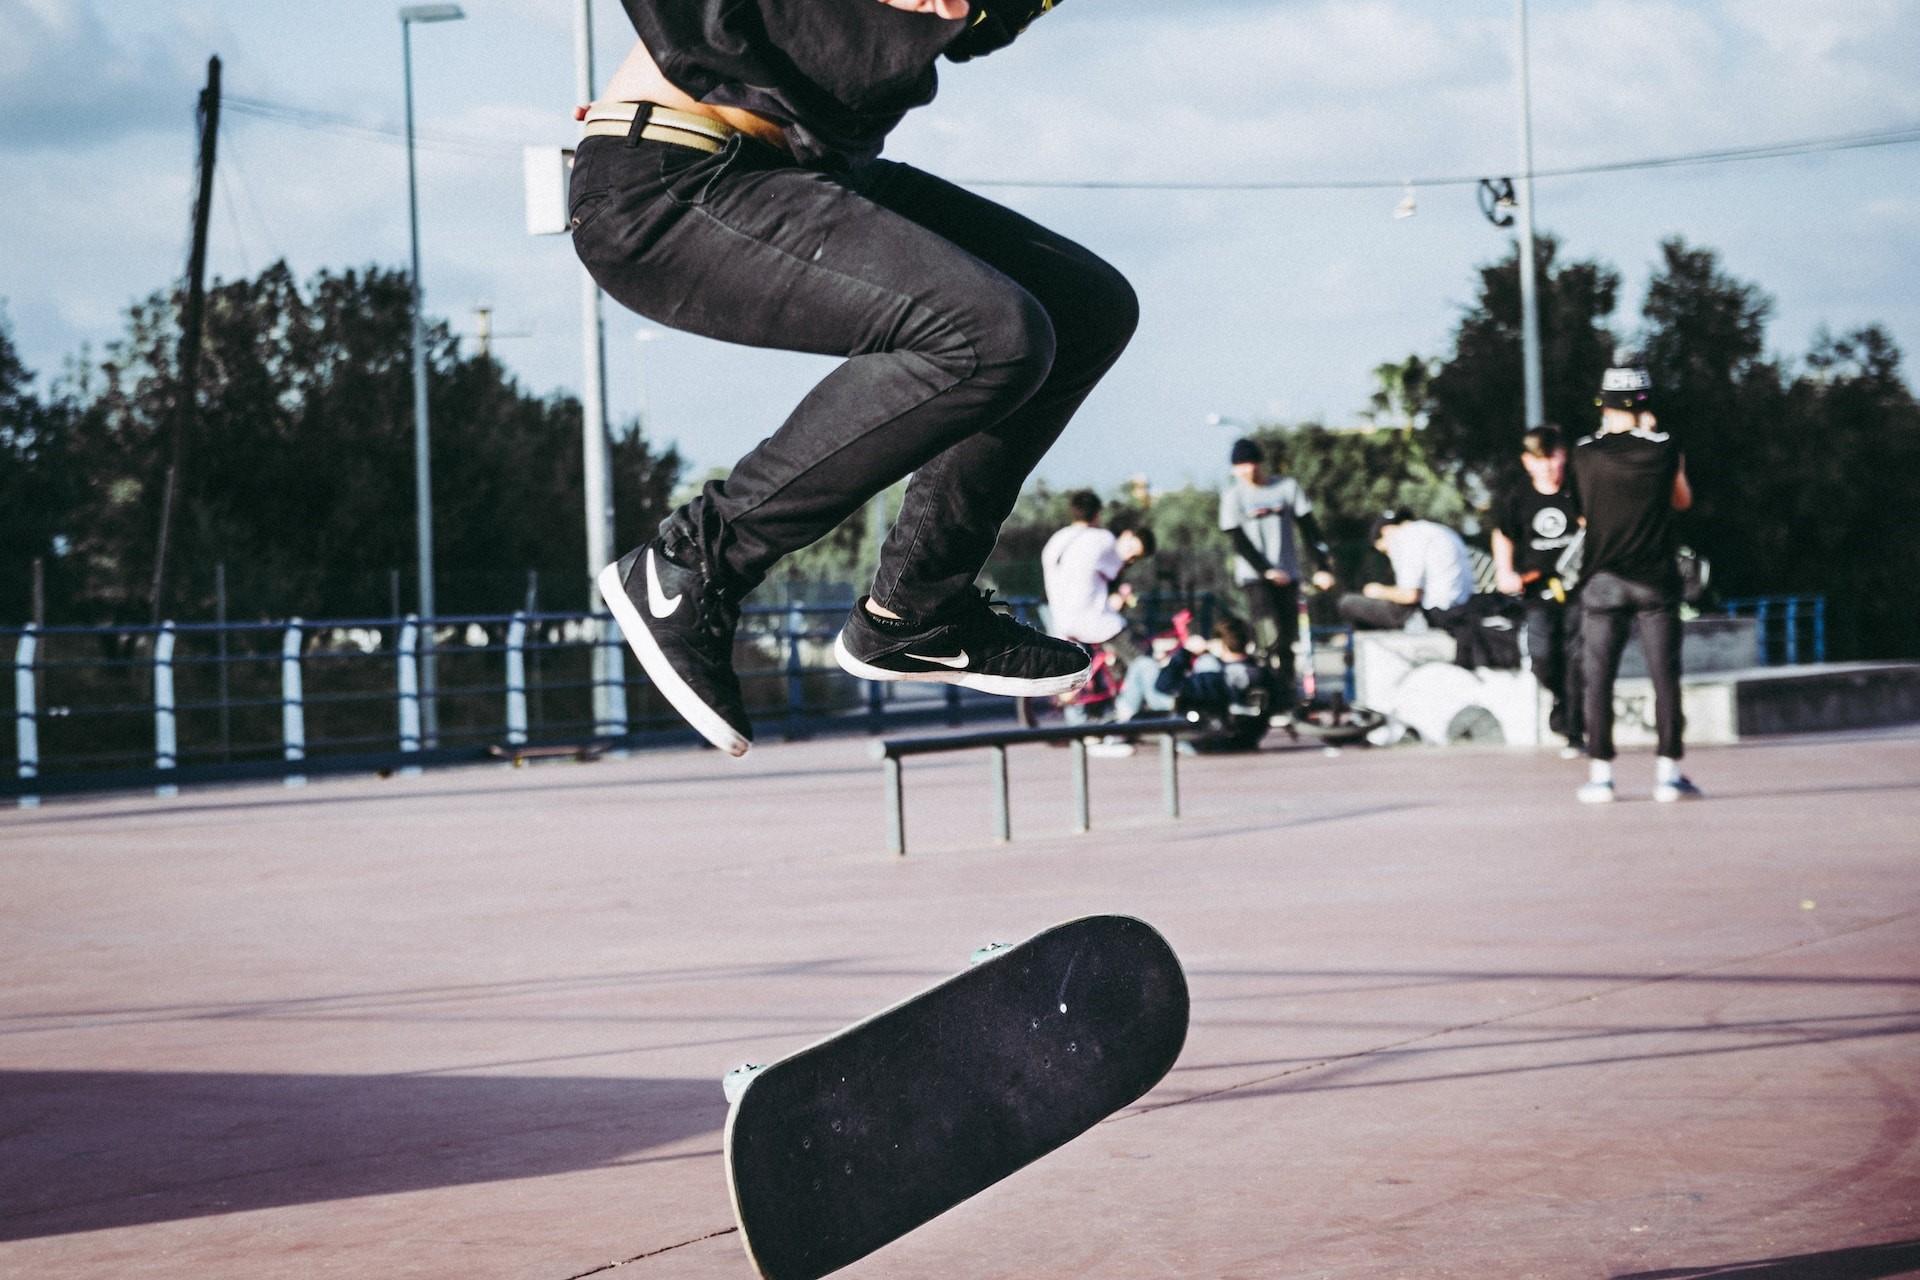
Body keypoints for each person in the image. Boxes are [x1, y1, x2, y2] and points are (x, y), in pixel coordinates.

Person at [575, 0, 1132, 756]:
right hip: (670, 181)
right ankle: (697, 561)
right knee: (990, 334)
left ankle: (917, 610)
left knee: (1085, 306)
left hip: (794, 179)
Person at [1568, 362, 1701, 803]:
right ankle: (1668, 773)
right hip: (1655, 582)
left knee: (1598, 678)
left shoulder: (1584, 452)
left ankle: (1601, 775)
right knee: (1665, 676)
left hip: (1602, 579)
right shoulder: (1665, 449)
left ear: (1603, 404)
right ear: (1646, 404)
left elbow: (1584, 513)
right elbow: (1682, 501)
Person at [1218, 438, 1335, 703]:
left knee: (1287, 638)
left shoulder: (1286, 488)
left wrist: (1322, 566)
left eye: (1252, 463)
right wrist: (1266, 570)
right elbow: (1238, 541)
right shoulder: (1233, 496)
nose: (1249, 471)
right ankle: (1262, 689)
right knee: (1268, 633)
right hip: (1254, 577)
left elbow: (1309, 529)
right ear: (1235, 470)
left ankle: (1286, 693)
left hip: (1288, 573)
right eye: (1241, 466)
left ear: (1261, 463)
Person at [1492, 425, 1584, 753]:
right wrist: (1505, 571)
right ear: (1527, 462)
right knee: (1543, 658)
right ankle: (1561, 699)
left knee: (1578, 658)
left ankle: (1575, 730)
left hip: (1578, 589)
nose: (1547, 466)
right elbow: (1503, 534)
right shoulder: (1518, 498)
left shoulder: (1578, 489)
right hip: (1538, 592)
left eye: (1552, 457)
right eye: (1539, 459)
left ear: (1564, 456)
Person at [1040, 493, 1155, 721]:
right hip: (1091, 617)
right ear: (1098, 514)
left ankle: (1082, 726)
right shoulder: (1102, 539)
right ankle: (1129, 712)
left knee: (1077, 668)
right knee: (1141, 658)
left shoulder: (1057, 538)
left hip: (1057, 614)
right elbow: (1113, 572)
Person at [1336, 511, 1473, 630]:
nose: (1389, 555)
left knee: (1347, 603)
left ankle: (1366, 655)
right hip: (1460, 606)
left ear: (1385, 531)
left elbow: (1410, 595)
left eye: (1385, 550)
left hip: (1436, 612)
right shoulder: (1440, 530)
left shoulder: (1406, 537)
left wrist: (1378, 591)